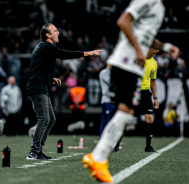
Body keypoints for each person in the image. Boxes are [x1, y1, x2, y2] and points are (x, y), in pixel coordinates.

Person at [82, 0, 180, 183]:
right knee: (125, 111)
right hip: (124, 61)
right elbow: (123, 21)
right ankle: (98, 158)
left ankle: (97, 157)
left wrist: (166, 48)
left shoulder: (160, 8)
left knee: (126, 112)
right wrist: (137, 49)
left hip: (132, 66)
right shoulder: (148, 0)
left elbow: (145, 37)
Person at [26, 23, 102, 160]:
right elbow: (65, 54)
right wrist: (88, 53)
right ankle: (34, 152)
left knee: (51, 119)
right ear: (48, 35)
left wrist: (50, 78)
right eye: (55, 31)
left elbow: (38, 67)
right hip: (38, 88)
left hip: (41, 86)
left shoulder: (44, 48)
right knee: (44, 119)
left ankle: (38, 150)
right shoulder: (46, 46)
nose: (58, 33)